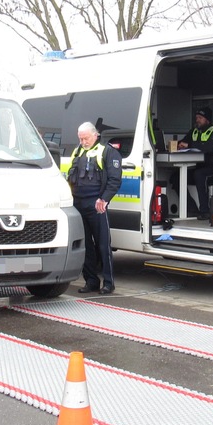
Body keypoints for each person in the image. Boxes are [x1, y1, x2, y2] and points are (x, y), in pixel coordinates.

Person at [68, 121, 122, 295]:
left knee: (103, 244)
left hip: (96, 204)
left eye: (85, 138)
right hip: (78, 204)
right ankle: (91, 281)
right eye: (80, 139)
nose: (83, 142)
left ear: (95, 135)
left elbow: (114, 180)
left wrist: (104, 199)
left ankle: (108, 283)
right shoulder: (77, 151)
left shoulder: (107, 151)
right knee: (86, 246)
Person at [175, 107, 213, 219]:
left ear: (207, 120)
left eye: (200, 118)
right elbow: (182, 142)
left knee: (199, 174)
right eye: (196, 117)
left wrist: (189, 145)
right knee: (175, 177)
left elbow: (209, 148)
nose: (197, 120)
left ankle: (205, 211)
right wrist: (178, 145)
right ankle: (191, 209)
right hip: (198, 167)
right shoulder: (194, 131)